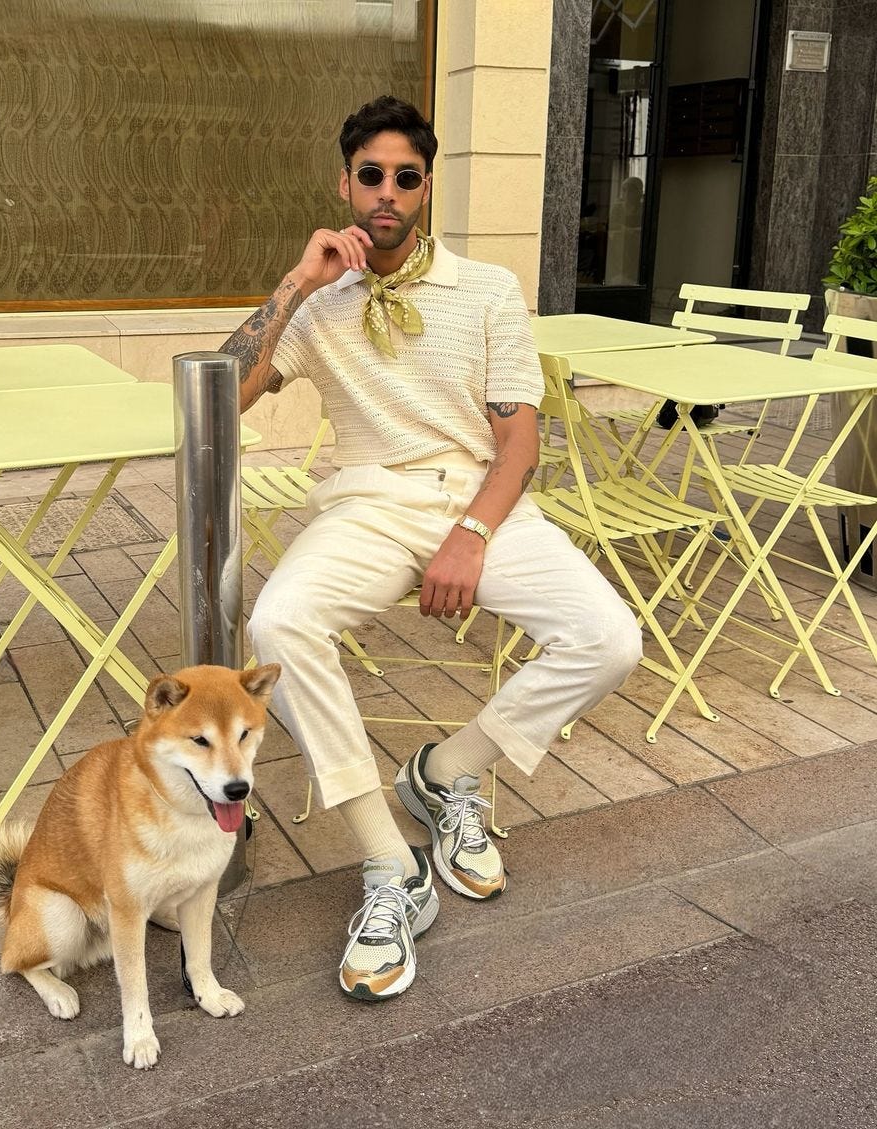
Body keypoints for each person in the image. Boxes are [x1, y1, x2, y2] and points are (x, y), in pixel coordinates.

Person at [221, 95, 643, 1002]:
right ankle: (389, 865)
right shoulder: (322, 300)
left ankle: (446, 773)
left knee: (610, 637)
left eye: (404, 178)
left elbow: (520, 444)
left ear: (425, 189)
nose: (386, 193)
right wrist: (296, 282)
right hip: (370, 505)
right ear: (345, 183)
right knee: (281, 623)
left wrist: (473, 534)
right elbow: (224, 397)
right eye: (369, 175)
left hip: (481, 507)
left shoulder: (485, 289)